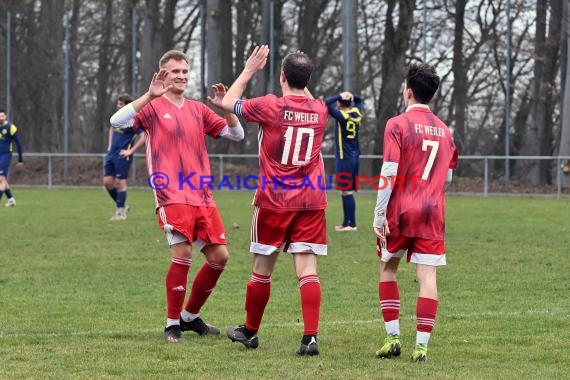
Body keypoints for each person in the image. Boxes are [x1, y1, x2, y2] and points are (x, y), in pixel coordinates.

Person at [109, 50, 245, 343]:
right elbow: (117, 122)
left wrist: (227, 108)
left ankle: (189, 317)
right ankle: (171, 324)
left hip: (202, 195)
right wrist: (148, 95)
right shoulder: (153, 107)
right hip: (170, 192)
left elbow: (237, 135)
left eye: (185, 71)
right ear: (163, 75)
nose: (182, 76)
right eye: (175, 72)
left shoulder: (197, 109)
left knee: (220, 257)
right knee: (182, 253)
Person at [220, 46, 329, 356]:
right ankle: (309, 338)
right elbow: (304, 94)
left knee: (261, 269)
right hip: (310, 201)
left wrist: (250, 69)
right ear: (307, 79)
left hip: (274, 201)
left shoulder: (271, 106)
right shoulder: (320, 110)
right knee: (307, 270)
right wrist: (299, 75)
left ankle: (251, 332)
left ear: (282, 77)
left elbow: (228, 102)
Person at [373, 63, 458, 363]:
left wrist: (379, 215)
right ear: (432, 97)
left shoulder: (397, 124)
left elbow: (389, 171)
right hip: (433, 214)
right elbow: (447, 177)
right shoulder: (445, 131)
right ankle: (421, 347)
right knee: (428, 277)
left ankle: (393, 338)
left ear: (408, 92)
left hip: (401, 211)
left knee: (388, 268)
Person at [325, 91, 363, 231]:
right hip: (354, 157)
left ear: (340, 103)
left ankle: (351, 224)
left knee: (347, 191)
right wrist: (352, 96)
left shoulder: (342, 116)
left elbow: (325, 103)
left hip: (344, 157)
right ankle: (346, 223)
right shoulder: (357, 113)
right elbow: (360, 101)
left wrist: (339, 96)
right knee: (344, 191)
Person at [104, 94, 146, 220]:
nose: (118, 106)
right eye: (118, 104)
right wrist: (110, 145)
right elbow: (111, 129)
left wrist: (131, 151)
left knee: (120, 182)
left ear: (127, 106)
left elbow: (143, 137)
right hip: (111, 154)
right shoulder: (117, 119)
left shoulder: (132, 121)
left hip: (123, 155)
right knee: (107, 183)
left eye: (120, 104)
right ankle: (122, 206)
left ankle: (121, 211)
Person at [0, 109, 24, 207]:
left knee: (0, 179)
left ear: (6, 117)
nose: (0, 118)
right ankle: (11, 199)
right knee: (3, 179)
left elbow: (19, 144)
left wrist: (20, 159)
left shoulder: (11, 127)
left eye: (2, 116)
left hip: (5, 155)